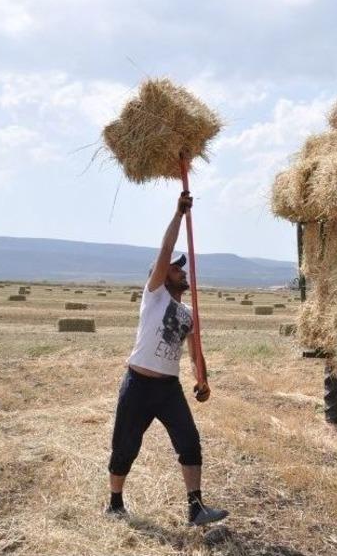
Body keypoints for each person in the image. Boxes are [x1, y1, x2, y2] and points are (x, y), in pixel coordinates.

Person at [105, 191, 228, 526]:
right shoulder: (154, 295)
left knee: (189, 442)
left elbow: (194, 354)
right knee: (125, 446)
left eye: (182, 269)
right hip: (139, 383)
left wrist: (203, 379)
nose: (182, 273)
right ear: (163, 274)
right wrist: (178, 215)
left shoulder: (189, 313)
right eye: (177, 269)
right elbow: (163, 253)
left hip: (168, 388)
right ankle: (115, 503)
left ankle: (196, 507)